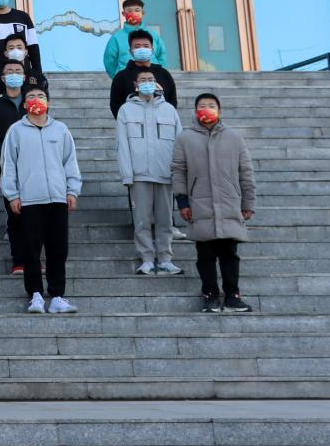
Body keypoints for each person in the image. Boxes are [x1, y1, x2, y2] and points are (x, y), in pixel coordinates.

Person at [172, 93, 256, 313]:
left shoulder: (234, 138)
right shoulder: (185, 138)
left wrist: (248, 202)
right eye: (202, 105)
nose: (207, 108)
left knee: (230, 254)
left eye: (211, 105)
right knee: (205, 255)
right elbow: (179, 171)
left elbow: (246, 172)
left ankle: (232, 296)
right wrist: (182, 201)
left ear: (220, 111)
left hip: (229, 203)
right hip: (200, 204)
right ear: (195, 111)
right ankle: (210, 295)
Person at [0, 87, 81, 315]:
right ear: (25, 104)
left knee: (58, 249)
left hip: (57, 199)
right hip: (29, 200)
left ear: (49, 102)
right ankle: (35, 294)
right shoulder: (16, 131)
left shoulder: (61, 130)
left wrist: (72, 191)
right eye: (31, 97)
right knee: (30, 249)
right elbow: (8, 165)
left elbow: (70, 162)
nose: (37, 100)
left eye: (41, 96)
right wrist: (12, 195)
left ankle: (57, 295)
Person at [117, 67, 182, 276]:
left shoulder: (169, 110)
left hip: (165, 174)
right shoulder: (125, 110)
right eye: (143, 79)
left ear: (157, 84)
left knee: (165, 220)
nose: (147, 82)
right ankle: (146, 258)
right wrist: (127, 174)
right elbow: (122, 144)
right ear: (136, 85)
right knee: (142, 220)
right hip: (139, 174)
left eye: (151, 79)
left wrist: (178, 173)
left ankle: (165, 258)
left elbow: (179, 143)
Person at [0, 58, 30, 275]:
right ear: (2, 78)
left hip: (34, 168)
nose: (14, 74)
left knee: (35, 217)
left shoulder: (33, 101)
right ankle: (19, 260)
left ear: (24, 76)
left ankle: (35, 259)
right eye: (9, 71)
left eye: (18, 70)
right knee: (15, 215)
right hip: (8, 169)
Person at [109, 30, 178, 117]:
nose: (142, 49)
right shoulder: (121, 77)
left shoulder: (164, 74)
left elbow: (172, 102)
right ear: (130, 51)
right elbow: (116, 106)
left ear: (152, 50)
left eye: (146, 46)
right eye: (137, 46)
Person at [104, 0, 167, 78]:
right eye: (129, 11)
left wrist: (160, 74)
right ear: (123, 14)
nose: (133, 13)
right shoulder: (116, 37)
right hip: (126, 79)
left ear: (143, 13)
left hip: (152, 78)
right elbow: (109, 61)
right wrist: (118, 77)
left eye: (137, 10)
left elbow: (162, 54)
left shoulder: (153, 34)